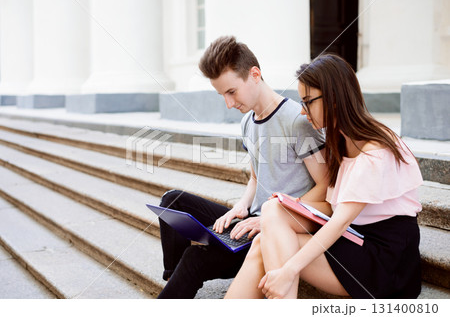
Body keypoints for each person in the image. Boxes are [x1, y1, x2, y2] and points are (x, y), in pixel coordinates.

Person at [225, 54, 423, 299]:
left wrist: (289, 270)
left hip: (385, 262)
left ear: (334, 98)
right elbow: (331, 207)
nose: (302, 110)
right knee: (270, 218)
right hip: (356, 240)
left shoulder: (375, 151)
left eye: (308, 101)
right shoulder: (343, 140)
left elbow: (339, 222)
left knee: (269, 236)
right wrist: (284, 207)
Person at [156, 36, 328, 298]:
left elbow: (325, 187)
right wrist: (241, 206)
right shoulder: (247, 122)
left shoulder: (297, 121)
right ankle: (174, 277)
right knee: (172, 201)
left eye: (231, 92)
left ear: (254, 74)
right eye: (222, 94)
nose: (228, 103)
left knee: (194, 257)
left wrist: (271, 219)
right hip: (251, 221)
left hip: (275, 232)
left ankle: (182, 276)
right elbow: (256, 178)